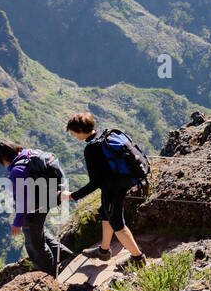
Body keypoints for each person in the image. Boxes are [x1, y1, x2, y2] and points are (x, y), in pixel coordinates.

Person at [59, 112, 146, 268]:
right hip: (121, 180)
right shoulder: (107, 134)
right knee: (105, 213)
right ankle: (103, 251)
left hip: (114, 186)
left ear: (79, 130)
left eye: (73, 132)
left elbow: (95, 182)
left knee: (117, 223)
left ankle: (138, 258)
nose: (72, 135)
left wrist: (72, 196)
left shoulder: (92, 148)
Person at [0, 141, 72, 277]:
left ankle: (50, 275)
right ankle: (67, 257)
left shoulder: (17, 171)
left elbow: (23, 201)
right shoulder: (29, 153)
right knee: (39, 232)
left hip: (35, 208)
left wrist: (17, 223)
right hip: (48, 199)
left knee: (35, 246)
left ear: (3, 159)